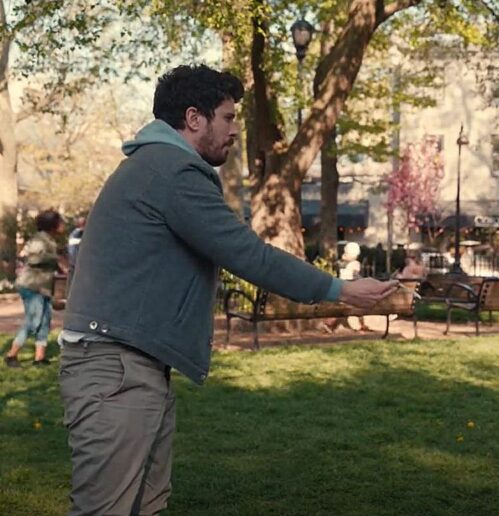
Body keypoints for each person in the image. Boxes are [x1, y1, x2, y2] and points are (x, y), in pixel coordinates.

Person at [58, 64, 397, 516]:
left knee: (144, 506)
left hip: (129, 366)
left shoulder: (153, 166)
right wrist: (342, 289)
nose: (236, 130)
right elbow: (247, 254)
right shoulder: (174, 171)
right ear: (193, 118)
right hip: (116, 370)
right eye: (228, 117)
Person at [4, 210, 64, 367]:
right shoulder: (39, 239)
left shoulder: (49, 240)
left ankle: (39, 358)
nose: (63, 224)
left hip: (43, 287)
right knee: (33, 321)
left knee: (44, 322)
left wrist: (62, 268)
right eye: (60, 222)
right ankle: (11, 356)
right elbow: (33, 259)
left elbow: (50, 263)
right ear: (52, 224)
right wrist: (55, 258)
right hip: (31, 286)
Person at [65, 216, 86, 296]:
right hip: (77, 262)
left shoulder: (72, 234)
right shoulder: (78, 233)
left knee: (71, 283)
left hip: (73, 262)